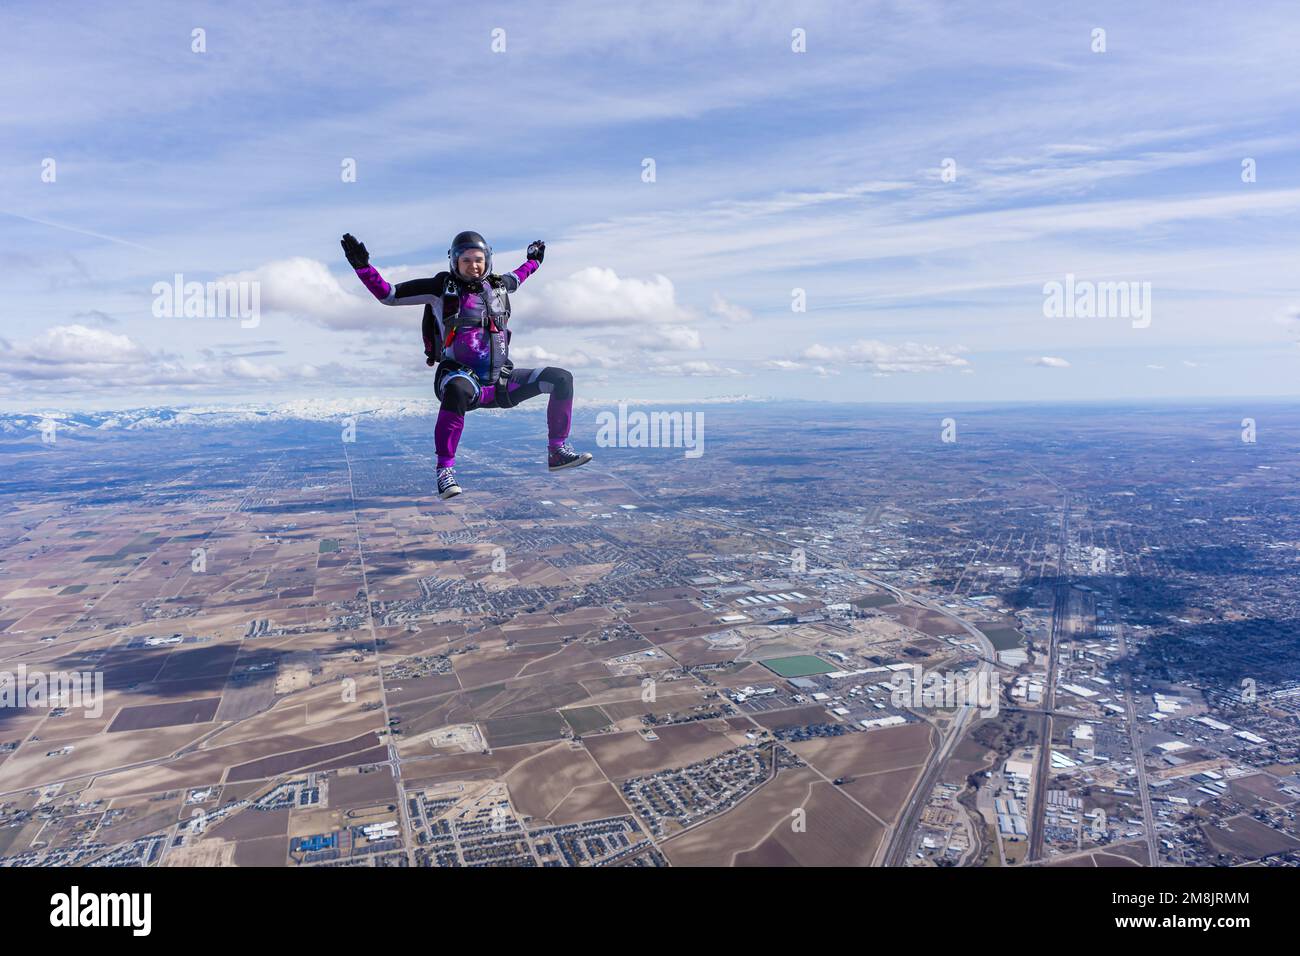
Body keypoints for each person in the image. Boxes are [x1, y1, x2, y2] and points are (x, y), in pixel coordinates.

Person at [341, 230, 592, 498]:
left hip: (500, 383)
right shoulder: (441, 288)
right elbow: (389, 295)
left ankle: (557, 451)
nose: (474, 265)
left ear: (488, 261)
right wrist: (363, 268)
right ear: (455, 263)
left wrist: (535, 260)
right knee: (458, 389)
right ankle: (444, 471)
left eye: (479, 259)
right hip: (463, 380)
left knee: (561, 378)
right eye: (466, 260)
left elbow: (521, 274)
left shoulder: (498, 285)